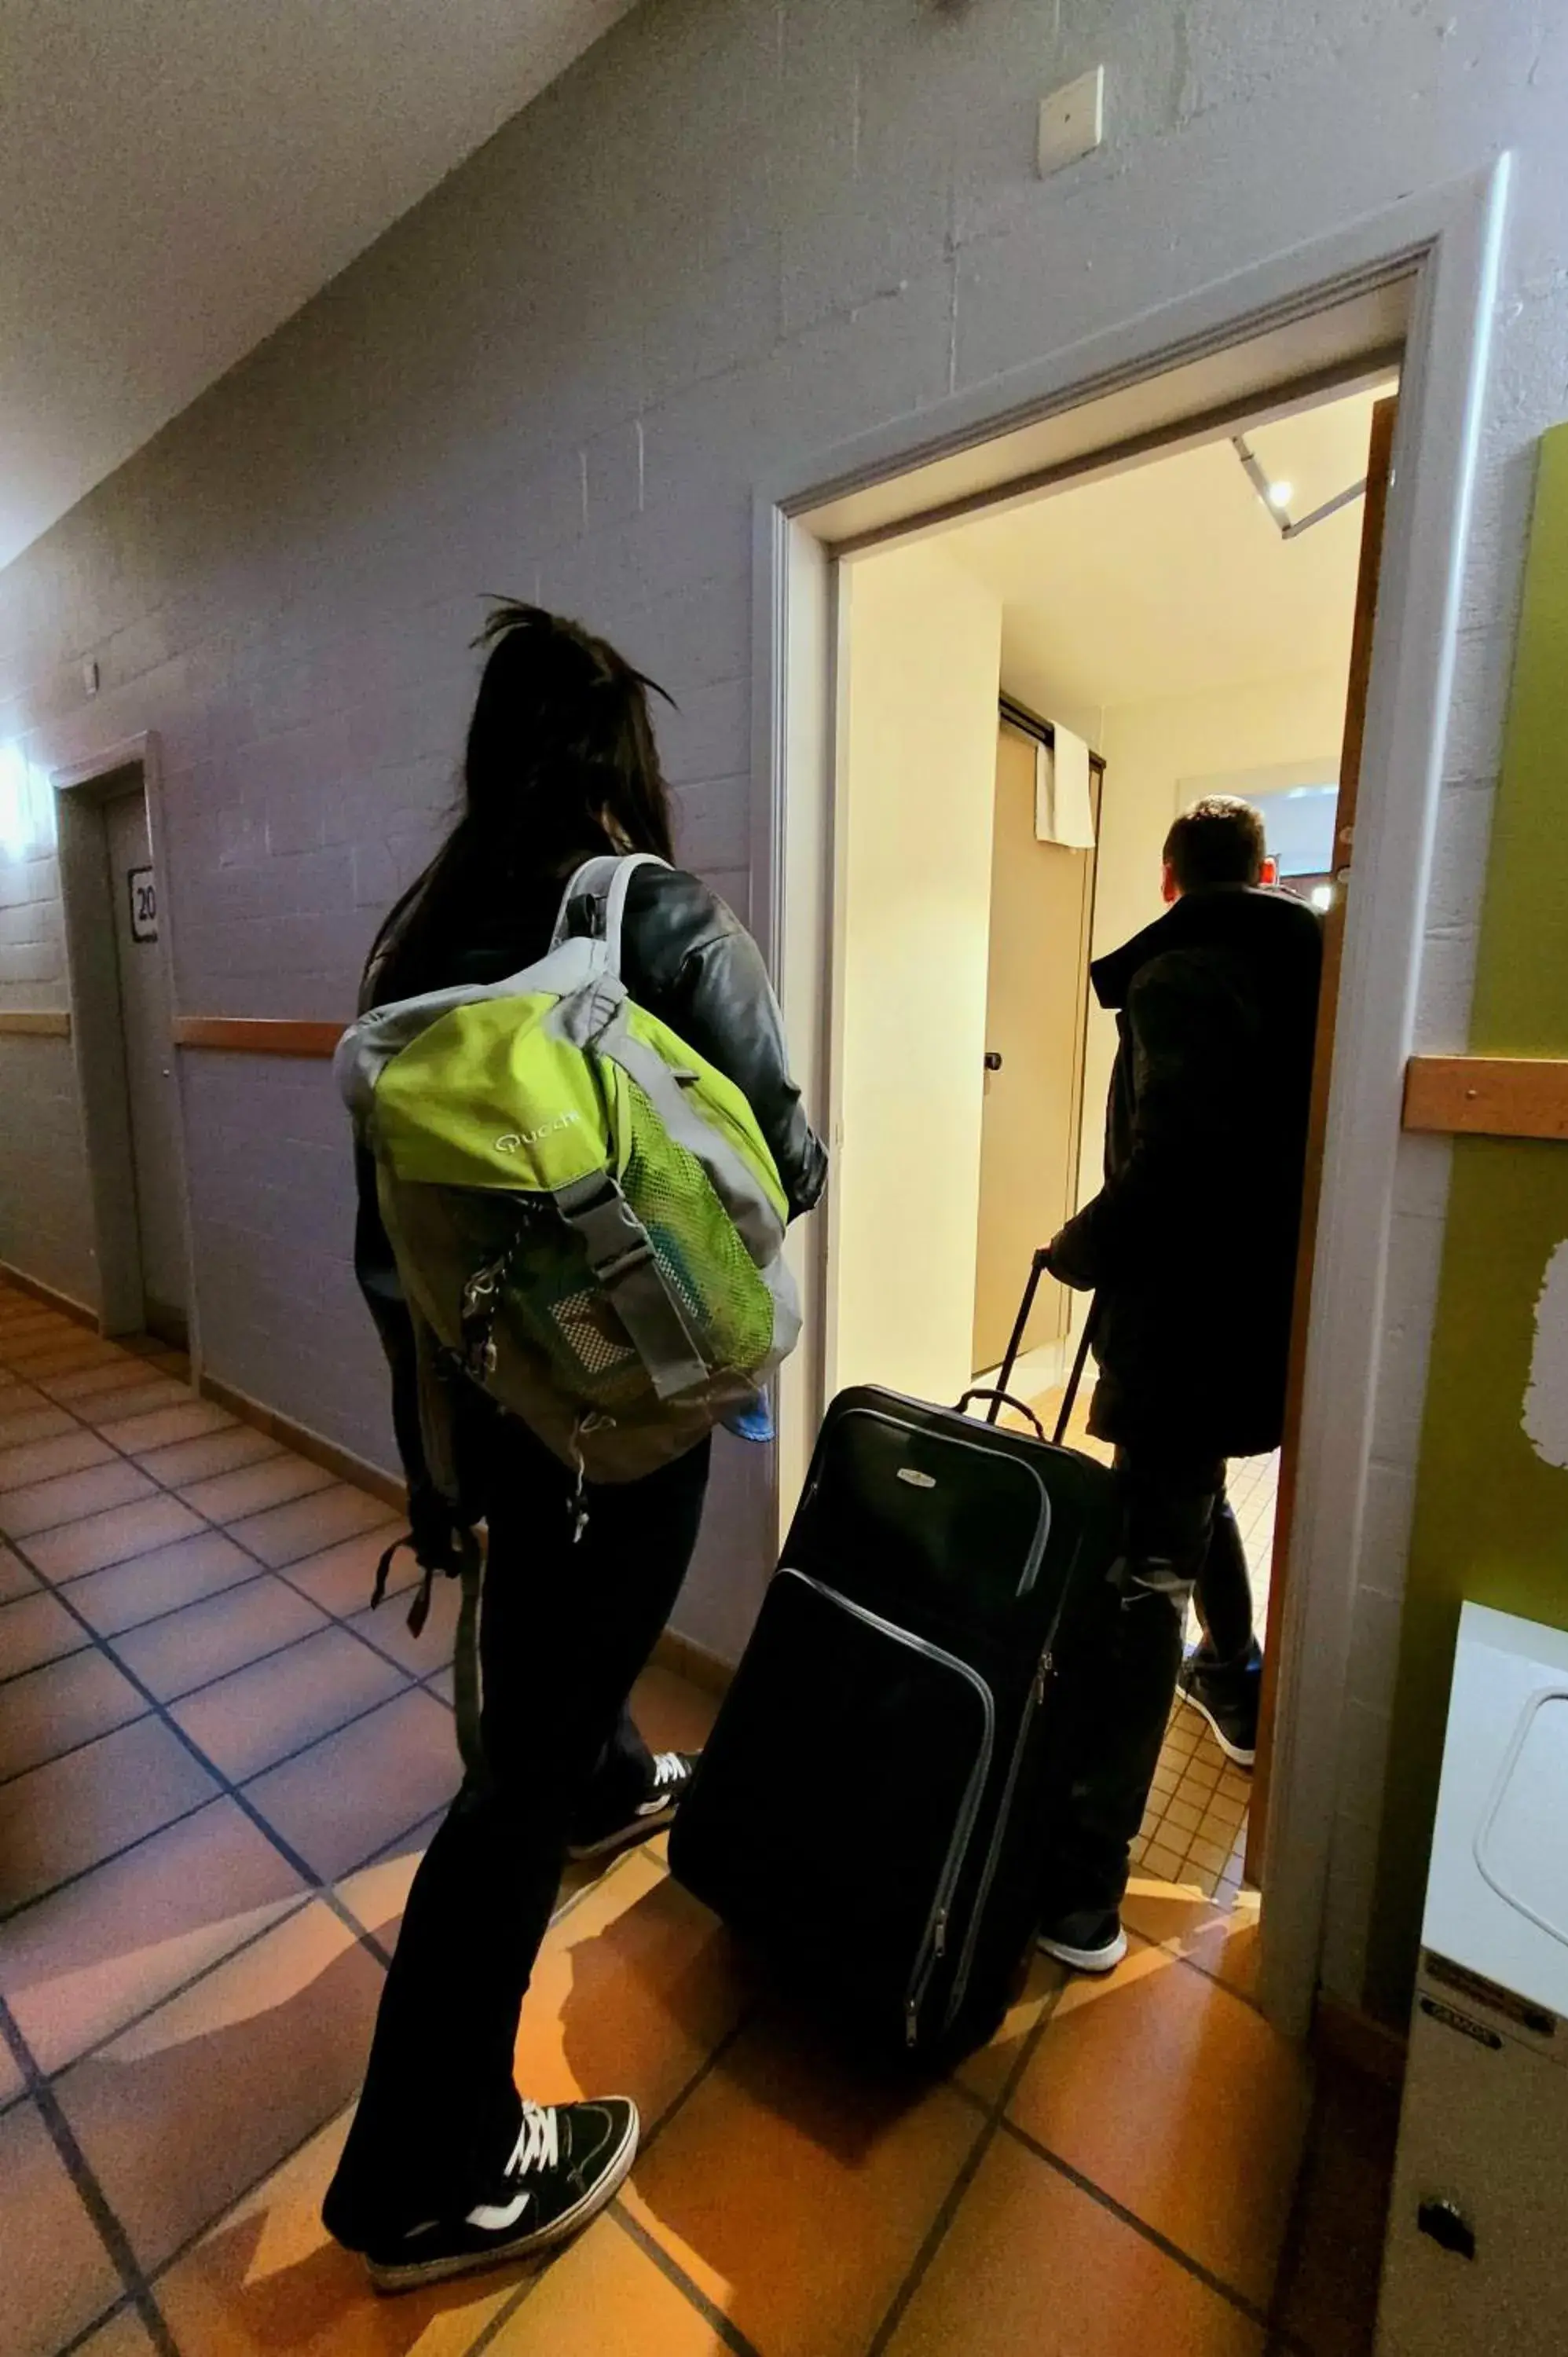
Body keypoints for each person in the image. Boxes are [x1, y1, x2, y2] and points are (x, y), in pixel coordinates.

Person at [323, 603, 826, 2289]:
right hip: (625, 1423)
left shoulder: (418, 954)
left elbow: (388, 1256)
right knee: (507, 1790)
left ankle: (613, 1776)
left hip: (483, 1410)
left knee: (554, 1676)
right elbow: (793, 1162)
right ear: (628, 762)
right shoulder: (651, 915)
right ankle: (425, 2170)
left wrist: (435, 1469)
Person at [1039, 794, 1321, 1974]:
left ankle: (1081, 1891)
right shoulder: (1322, 972)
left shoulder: (1177, 979)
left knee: (1138, 1573)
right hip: (1269, 1309)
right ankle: (1235, 1672)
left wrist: (1083, 1245)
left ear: (1167, 884)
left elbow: (1176, 1159)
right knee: (1187, 1487)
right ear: (1260, 871)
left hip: (1183, 1319)